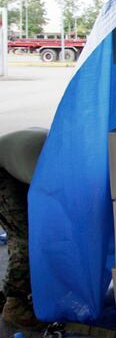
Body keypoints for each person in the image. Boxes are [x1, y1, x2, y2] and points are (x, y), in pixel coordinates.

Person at [0, 127, 47, 329]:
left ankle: (12, 293)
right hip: (3, 173)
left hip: (14, 166)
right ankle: (15, 305)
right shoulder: (53, 165)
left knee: (21, 232)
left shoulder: (62, 154)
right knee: (26, 237)